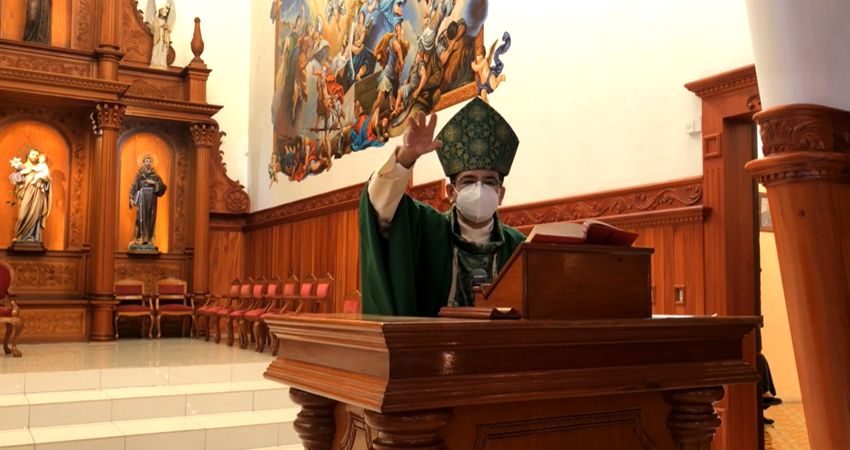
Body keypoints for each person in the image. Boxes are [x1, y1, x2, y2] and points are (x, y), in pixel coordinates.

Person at [359, 98, 525, 317]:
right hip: (433, 347)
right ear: (450, 192)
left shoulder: (519, 248)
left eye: (489, 181)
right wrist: (405, 159)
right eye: (468, 180)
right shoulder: (428, 229)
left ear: (500, 194)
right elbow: (379, 208)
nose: (479, 188)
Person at [9, 149, 52, 242]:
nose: (35, 156)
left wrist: (45, 180)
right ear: (28, 155)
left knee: (35, 215)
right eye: (33, 154)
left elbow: (47, 181)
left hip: (38, 195)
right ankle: (20, 236)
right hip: (25, 195)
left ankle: (33, 238)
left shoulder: (41, 167)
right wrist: (22, 172)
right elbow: (12, 178)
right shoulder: (22, 166)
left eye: (37, 155)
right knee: (22, 215)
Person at [129, 155, 167, 247]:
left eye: (150, 161)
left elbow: (163, 187)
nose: (148, 163)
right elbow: (133, 187)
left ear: (152, 163)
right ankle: (140, 238)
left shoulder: (156, 176)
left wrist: (154, 183)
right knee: (141, 217)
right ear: (143, 163)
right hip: (142, 198)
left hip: (152, 198)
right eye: (146, 161)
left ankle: (150, 239)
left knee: (151, 217)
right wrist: (131, 198)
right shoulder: (139, 175)